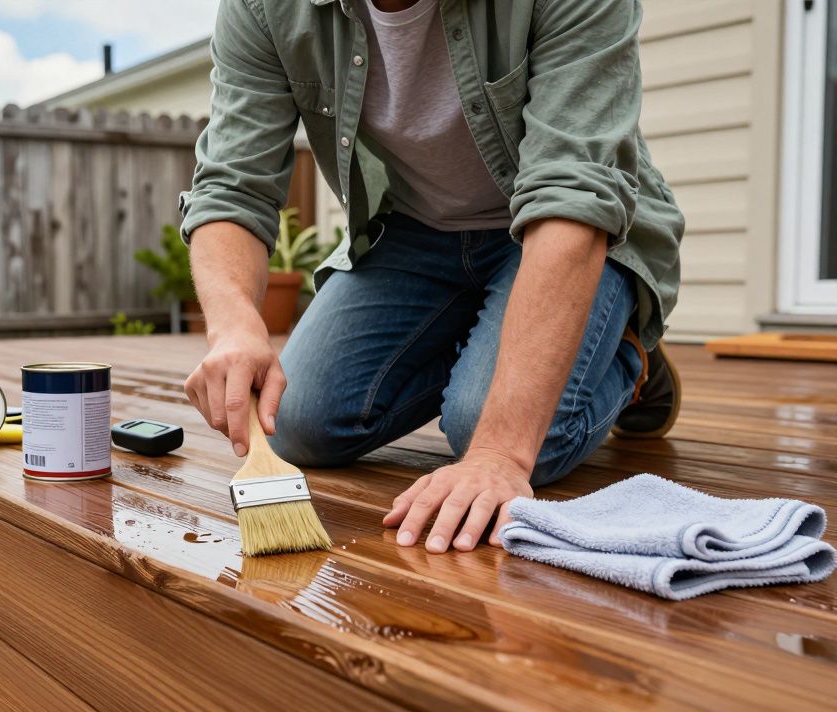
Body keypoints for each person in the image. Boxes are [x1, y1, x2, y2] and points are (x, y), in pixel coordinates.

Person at [179, 0, 685, 553]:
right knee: (297, 422)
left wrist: (498, 455)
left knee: (491, 435)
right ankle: (508, 335)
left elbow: (572, 195)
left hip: (555, 231)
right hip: (412, 233)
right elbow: (233, 185)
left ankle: (624, 346)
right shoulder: (265, 8)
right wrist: (233, 325)